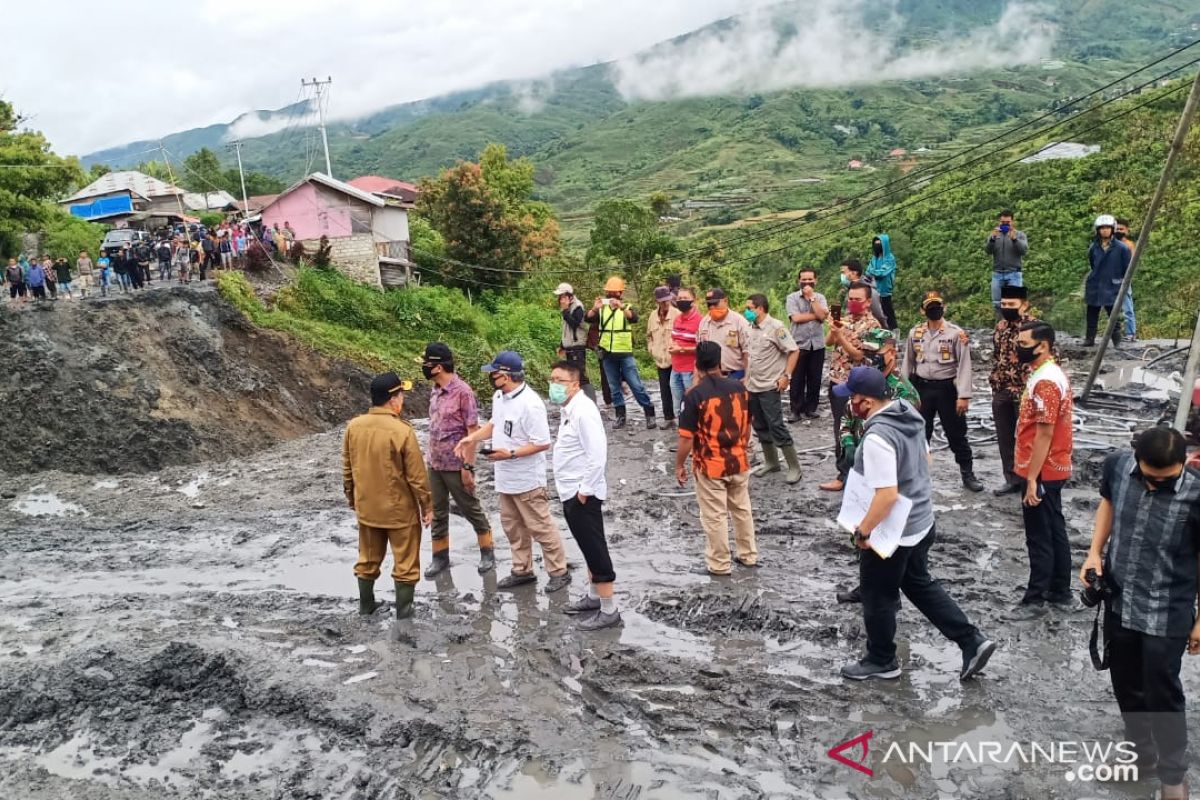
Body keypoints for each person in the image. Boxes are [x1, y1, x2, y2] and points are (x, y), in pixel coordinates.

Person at [837, 365, 997, 681]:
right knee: (918, 584)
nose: (849, 404)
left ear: (865, 402)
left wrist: (863, 530)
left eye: (852, 398)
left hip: (893, 532)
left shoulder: (878, 438)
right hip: (922, 521)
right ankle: (972, 641)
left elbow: (886, 496)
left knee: (877, 594)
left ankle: (882, 659)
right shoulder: (907, 413)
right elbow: (926, 460)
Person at [1080, 426, 1200, 800]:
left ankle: (1172, 777)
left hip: (1168, 609)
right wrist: (1094, 552)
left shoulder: (1197, 496)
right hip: (1121, 601)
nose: (1153, 486)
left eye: (1164, 482)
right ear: (1136, 461)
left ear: (1185, 464)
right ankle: (1140, 757)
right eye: (1148, 478)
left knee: (1163, 693)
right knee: (1126, 685)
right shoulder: (1117, 466)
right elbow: (1108, 503)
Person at [454, 351, 571, 593]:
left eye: (494, 373)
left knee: (541, 526)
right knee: (513, 527)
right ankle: (522, 570)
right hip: (505, 477)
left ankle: (559, 571)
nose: (491, 377)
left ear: (506, 376)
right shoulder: (500, 396)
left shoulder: (531, 404)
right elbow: (494, 425)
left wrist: (512, 454)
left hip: (527, 478)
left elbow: (542, 442)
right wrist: (472, 439)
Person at [833, 329, 920, 605]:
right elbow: (847, 416)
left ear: (892, 353)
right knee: (860, 529)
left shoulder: (903, 393)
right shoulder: (862, 380)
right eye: (867, 354)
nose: (870, 359)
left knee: (883, 534)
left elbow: (914, 440)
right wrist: (847, 442)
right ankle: (867, 584)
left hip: (889, 475)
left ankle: (887, 593)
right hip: (862, 468)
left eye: (876, 354)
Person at [343, 373, 433, 626]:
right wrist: (427, 506)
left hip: (367, 507)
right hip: (398, 512)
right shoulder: (402, 431)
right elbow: (417, 476)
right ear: (393, 400)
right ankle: (404, 614)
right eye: (401, 395)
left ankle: (366, 608)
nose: (402, 400)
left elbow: (347, 468)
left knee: (367, 559)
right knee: (405, 563)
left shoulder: (354, 426)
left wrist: (353, 498)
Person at [551, 360, 622, 631]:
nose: (554, 385)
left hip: (582, 493)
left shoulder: (583, 411)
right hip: (570, 490)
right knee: (586, 546)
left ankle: (609, 609)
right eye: (552, 380)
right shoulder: (568, 409)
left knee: (595, 547)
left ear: (574, 384)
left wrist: (585, 491)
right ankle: (594, 597)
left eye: (559, 381)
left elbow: (597, 454)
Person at [675, 341, 757, 576]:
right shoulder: (740, 389)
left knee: (715, 516)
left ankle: (720, 564)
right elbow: (748, 424)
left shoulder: (694, 396)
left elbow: (686, 438)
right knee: (742, 509)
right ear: (720, 362)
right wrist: (742, 446)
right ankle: (748, 554)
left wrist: (679, 464)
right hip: (739, 460)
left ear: (696, 365)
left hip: (710, 464)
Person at [1011, 321, 1074, 619]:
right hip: (1052, 467)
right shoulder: (1046, 374)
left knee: (1039, 535)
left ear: (1044, 346)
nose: (1018, 348)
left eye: (1024, 344)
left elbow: (1044, 433)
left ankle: (1035, 598)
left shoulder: (1046, 382)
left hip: (1042, 468)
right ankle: (1060, 590)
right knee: (1054, 528)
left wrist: (1032, 479)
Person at [420, 343, 495, 577]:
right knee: (438, 511)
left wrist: (467, 467)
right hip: (435, 462)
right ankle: (439, 557)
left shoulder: (464, 392)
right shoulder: (435, 389)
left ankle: (487, 552)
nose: (424, 368)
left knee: (470, 508)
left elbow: (472, 432)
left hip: (455, 463)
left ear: (439, 367)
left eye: (427, 364)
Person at [901, 291, 984, 492]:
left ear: (944, 307)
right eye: (929, 306)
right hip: (922, 388)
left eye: (937, 305)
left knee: (956, 434)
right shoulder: (915, 333)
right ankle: (919, 474)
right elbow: (908, 362)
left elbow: (964, 365)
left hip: (947, 389)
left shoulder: (956, 334)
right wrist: (905, 391)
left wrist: (964, 395)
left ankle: (967, 473)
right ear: (922, 310)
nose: (934, 309)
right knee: (921, 434)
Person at [820, 281, 881, 492]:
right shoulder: (843, 319)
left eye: (858, 299)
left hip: (859, 386)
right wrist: (834, 329)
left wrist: (841, 337)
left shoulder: (874, 326)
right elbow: (829, 342)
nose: (853, 303)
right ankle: (842, 474)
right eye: (851, 299)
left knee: (861, 430)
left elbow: (859, 355)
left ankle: (863, 474)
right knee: (841, 429)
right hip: (837, 381)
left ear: (868, 302)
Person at [744, 293, 803, 484]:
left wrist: (786, 376)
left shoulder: (776, 327)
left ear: (760, 308)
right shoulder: (750, 328)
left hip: (770, 386)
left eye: (750, 308)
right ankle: (772, 462)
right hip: (753, 386)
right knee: (760, 425)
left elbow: (794, 351)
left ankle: (794, 467)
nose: (747, 312)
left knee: (776, 425)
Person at [585, 276, 656, 430]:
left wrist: (621, 307)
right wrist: (594, 308)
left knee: (636, 385)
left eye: (614, 292)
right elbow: (588, 318)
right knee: (613, 387)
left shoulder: (626, 307)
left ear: (620, 293)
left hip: (624, 353)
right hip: (607, 354)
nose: (611, 295)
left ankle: (649, 413)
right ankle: (620, 416)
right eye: (609, 292)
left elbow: (634, 318)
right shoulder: (602, 309)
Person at [991, 285, 1037, 496]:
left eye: (1012, 305)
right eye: (1004, 304)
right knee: (1005, 437)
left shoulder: (1035, 329)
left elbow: (1048, 360)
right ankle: (1011, 478)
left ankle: (1030, 480)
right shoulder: (1000, 327)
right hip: (1001, 390)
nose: (1007, 308)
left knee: (1027, 439)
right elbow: (996, 356)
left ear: (1024, 305)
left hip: (1024, 391)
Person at [786, 267, 828, 421]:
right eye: (804, 279)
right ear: (799, 281)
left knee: (815, 378)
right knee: (797, 378)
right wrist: (816, 315)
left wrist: (811, 299)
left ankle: (811, 408)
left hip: (817, 344)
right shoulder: (792, 298)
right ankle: (795, 410)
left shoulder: (820, 297)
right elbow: (795, 318)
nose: (807, 282)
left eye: (810, 279)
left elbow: (822, 317)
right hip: (798, 344)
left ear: (815, 280)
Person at [1084, 214, 1131, 347]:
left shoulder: (1122, 248)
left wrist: (1120, 282)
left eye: (1107, 227)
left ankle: (1117, 341)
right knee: (1092, 313)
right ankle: (1089, 339)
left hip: (1112, 284)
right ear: (1098, 230)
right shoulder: (1093, 247)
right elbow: (1092, 263)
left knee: (1113, 314)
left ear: (1112, 229)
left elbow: (1127, 268)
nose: (1105, 230)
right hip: (1095, 284)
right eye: (1102, 228)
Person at [553, 283, 596, 402]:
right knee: (572, 376)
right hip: (569, 348)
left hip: (577, 348)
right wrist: (562, 345)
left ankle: (591, 402)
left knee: (580, 376)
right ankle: (576, 401)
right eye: (560, 297)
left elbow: (574, 324)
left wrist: (566, 310)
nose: (560, 299)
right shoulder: (567, 308)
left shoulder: (577, 307)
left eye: (562, 296)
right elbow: (566, 330)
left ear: (569, 296)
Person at [697, 288, 750, 380]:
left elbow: (748, 352)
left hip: (735, 375)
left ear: (725, 301)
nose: (712, 307)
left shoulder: (739, 322)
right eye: (709, 304)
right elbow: (700, 352)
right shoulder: (704, 323)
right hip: (711, 377)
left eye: (715, 303)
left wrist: (747, 377)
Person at [646, 285, 680, 429]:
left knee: (677, 390)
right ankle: (668, 417)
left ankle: (682, 418)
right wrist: (652, 350)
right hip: (660, 359)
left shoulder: (677, 314)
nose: (666, 303)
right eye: (663, 301)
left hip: (676, 359)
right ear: (657, 301)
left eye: (667, 300)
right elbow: (649, 336)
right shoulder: (653, 316)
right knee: (664, 390)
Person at [668, 287, 702, 419]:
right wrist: (672, 344)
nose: (681, 301)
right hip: (675, 368)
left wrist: (681, 349)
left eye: (685, 298)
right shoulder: (677, 319)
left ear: (693, 301)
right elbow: (673, 337)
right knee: (677, 403)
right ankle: (681, 428)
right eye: (679, 299)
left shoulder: (700, 321)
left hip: (690, 369)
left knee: (691, 402)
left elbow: (702, 346)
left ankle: (694, 431)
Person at [985, 210, 1028, 310]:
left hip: (1014, 274)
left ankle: (1015, 325)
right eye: (1002, 222)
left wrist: (1014, 240)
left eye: (1007, 222)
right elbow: (988, 251)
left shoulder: (1020, 235)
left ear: (1012, 222)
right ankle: (1002, 324)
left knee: (1015, 304)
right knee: (997, 304)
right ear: (999, 222)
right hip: (997, 274)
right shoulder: (994, 235)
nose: (1005, 225)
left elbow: (1023, 251)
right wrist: (992, 239)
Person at [838, 259, 885, 324]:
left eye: (843, 272)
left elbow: (878, 315)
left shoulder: (870, 291)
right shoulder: (851, 289)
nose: (842, 275)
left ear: (854, 273)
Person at [867, 234, 898, 330]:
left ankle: (894, 334)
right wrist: (874, 273)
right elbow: (867, 271)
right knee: (877, 314)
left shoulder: (889, 258)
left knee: (888, 314)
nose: (877, 246)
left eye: (879, 244)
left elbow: (883, 273)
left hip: (885, 291)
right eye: (875, 244)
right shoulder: (874, 258)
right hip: (874, 291)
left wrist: (874, 273)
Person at [1115, 217, 1137, 342]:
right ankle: (1115, 334)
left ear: (1127, 231)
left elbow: (1132, 263)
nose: (1119, 231)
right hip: (1111, 279)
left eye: (1121, 229)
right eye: (1117, 229)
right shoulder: (1111, 244)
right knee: (1111, 308)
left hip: (1124, 279)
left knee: (1127, 308)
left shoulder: (1129, 245)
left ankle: (1131, 333)